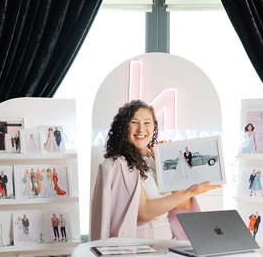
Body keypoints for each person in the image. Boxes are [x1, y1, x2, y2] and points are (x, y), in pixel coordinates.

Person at [90, 100, 220, 240]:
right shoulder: (118, 165)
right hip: (137, 248)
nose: (141, 130)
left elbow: (183, 204)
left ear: (154, 127)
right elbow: (144, 212)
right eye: (134, 122)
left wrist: (169, 159)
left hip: (167, 246)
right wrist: (190, 191)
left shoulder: (156, 160)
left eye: (147, 123)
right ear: (123, 127)